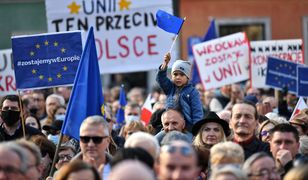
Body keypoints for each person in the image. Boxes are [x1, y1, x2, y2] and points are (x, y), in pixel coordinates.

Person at [156, 52, 203, 131]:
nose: (178, 77)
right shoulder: (170, 88)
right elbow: (161, 79)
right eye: (175, 74)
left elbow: (197, 112)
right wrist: (165, 64)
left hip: (186, 128)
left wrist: (196, 130)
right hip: (169, 127)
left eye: (181, 75)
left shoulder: (193, 92)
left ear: (187, 77)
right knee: (156, 140)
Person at [74, 115, 111, 179]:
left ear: (108, 141)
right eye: (85, 139)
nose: (90, 144)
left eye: (97, 139)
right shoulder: (64, 173)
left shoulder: (122, 173)